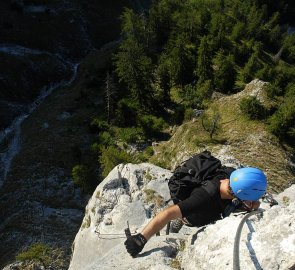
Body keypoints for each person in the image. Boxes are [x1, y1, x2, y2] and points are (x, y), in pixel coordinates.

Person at [124, 167, 267, 257]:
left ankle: (178, 221)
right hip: (191, 216)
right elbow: (167, 213)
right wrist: (140, 239)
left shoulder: (231, 174)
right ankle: (179, 222)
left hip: (210, 204)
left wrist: (250, 202)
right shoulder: (203, 199)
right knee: (180, 217)